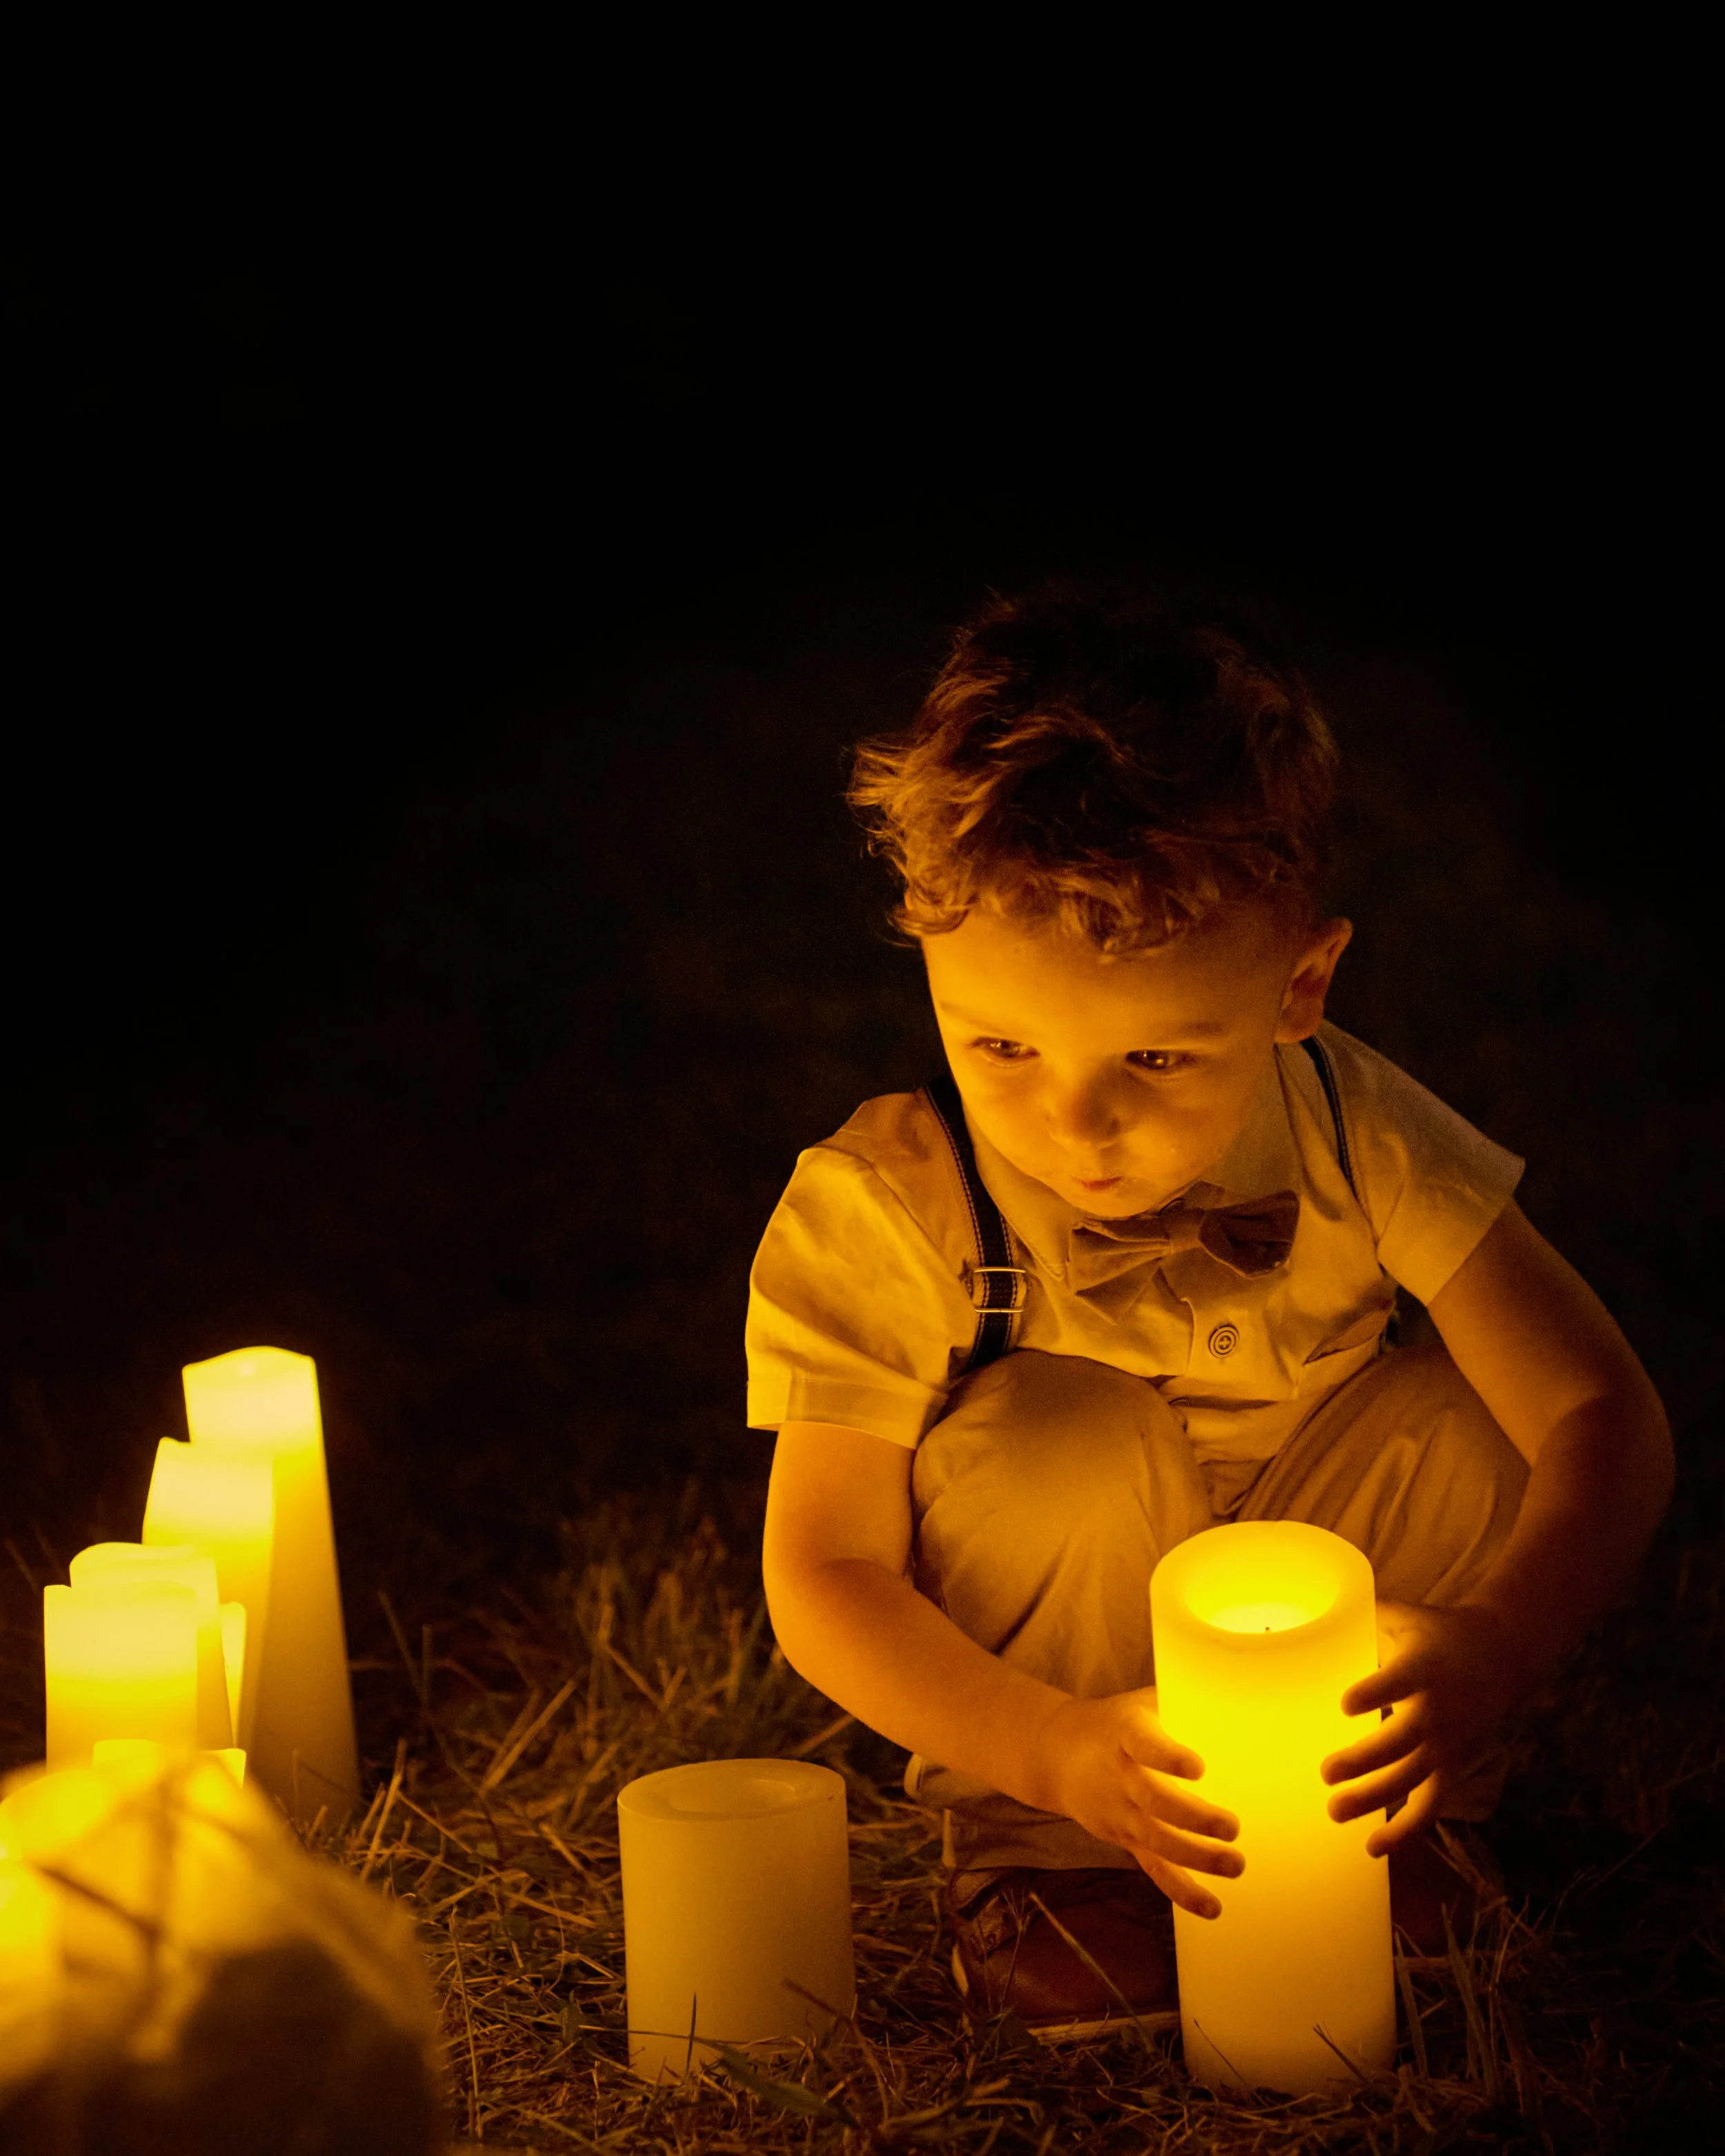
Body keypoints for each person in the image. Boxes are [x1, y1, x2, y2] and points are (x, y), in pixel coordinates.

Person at [747, 589, 1672, 2028]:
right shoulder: (888, 1201)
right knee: (1053, 1431)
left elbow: (1599, 1414)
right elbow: (821, 1570)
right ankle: (1048, 1867)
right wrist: (1052, 1748)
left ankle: (1391, 1819)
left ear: (1298, 983)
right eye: (997, 1042)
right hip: (1069, 1683)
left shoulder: (1353, 1127)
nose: (1076, 1124)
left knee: (1467, 1413)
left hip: (1322, 1570)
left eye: (1160, 1058)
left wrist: (1493, 1641)